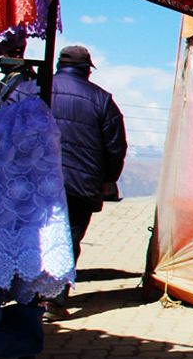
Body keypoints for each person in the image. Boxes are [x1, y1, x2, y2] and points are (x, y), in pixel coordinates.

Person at [37, 45, 128, 265]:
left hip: (34, 179)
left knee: (33, 235)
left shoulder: (33, 89)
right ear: (87, 69)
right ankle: (53, 296)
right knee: (69, 238)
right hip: (81, 185)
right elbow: (115, 146)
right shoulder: (102, 99)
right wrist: (108, 179)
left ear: (60, 66)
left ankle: (27, 292)